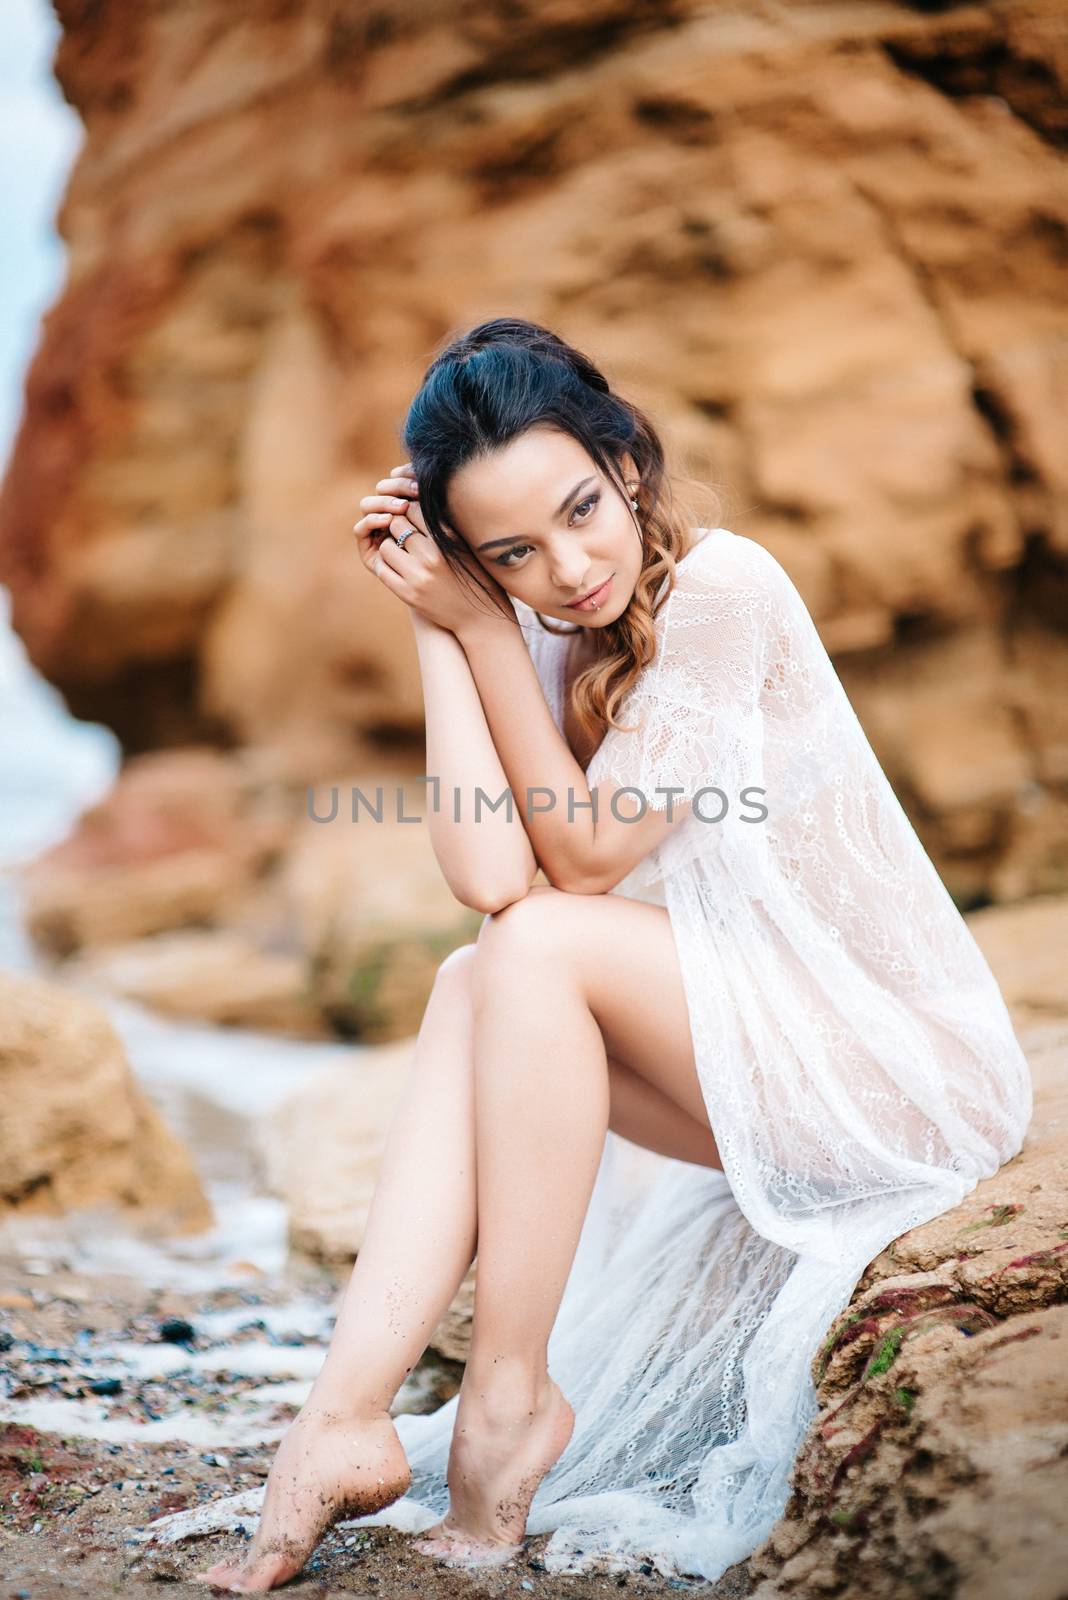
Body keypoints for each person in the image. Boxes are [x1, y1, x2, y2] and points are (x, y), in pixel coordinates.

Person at [192, 317, 1032, 1591]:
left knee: (525, 951)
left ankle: (507, 1403)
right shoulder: (528, 623)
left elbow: (575, 866)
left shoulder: (725, 588)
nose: (571, 567)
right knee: (476, 970)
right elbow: (483, 876)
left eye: (583, 509)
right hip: (760, 1066)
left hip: (904, 1076)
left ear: (626, 463)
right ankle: (343, 1418)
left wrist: (480, 635)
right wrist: (439, 624)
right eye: (512, 553)